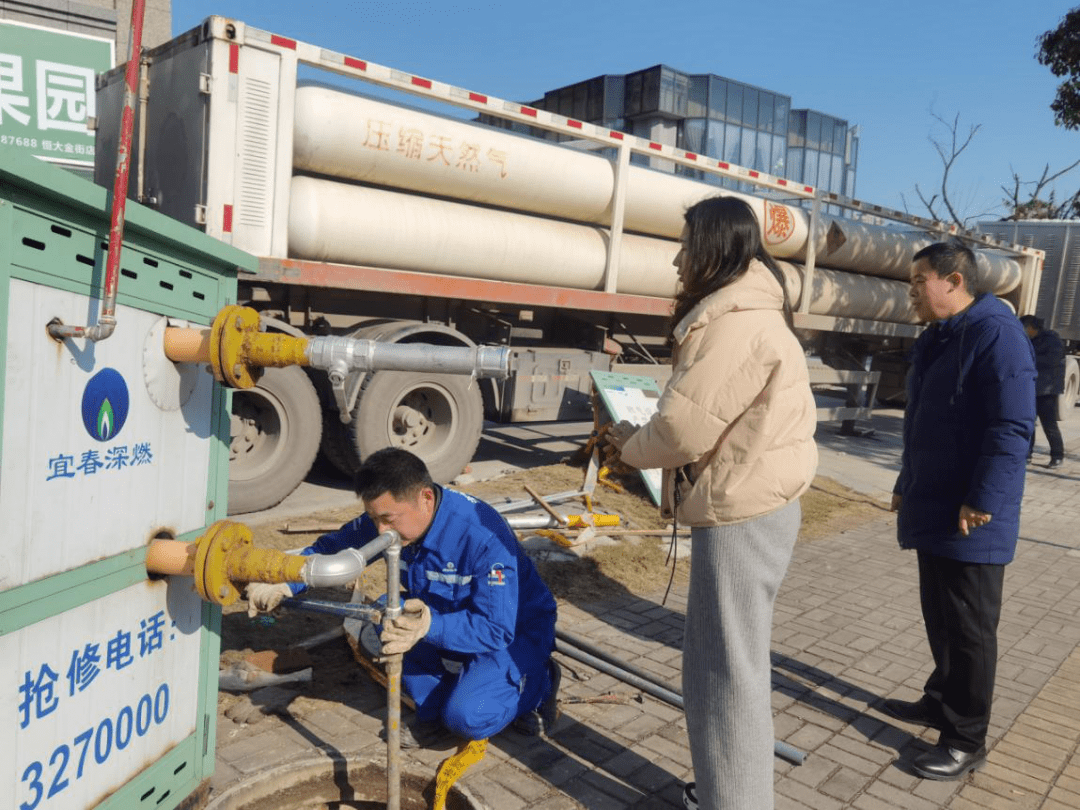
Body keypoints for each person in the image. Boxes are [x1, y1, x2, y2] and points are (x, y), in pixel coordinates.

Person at [606, 196, 818, 810]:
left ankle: (736, 800)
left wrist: (629, 445)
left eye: (685, 245)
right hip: (752, 504)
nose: (676, 259)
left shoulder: (736, 323)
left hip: (743, 513)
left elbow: (681, 429)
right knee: (724, 665)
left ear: (715, 250)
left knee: (727, 674)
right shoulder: (748, 310)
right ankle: (730, 787)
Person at [246, 447, 560, 747]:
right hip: (446, 614)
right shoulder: (389, 516)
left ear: (425, 497)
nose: (381, 530)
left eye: (388, 520)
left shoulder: (482, 537)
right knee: (387, 614)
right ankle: (435, 710)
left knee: (469, 718)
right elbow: (333, 549)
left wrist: (429, 627)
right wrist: (287, 579)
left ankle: (536, 684)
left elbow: (495, 627)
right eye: (374, 519)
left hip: (513, 631)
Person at [885, 242, 1035, 780]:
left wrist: (985, 499)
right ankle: (940, 698)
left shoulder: (996, 334)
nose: (911, 293)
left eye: (917, 282)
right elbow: (921, 423)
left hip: (971, 513)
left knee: (970, 628)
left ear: (953, 281)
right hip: (934, 501)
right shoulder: (937, 338)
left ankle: (966, 737)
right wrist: (908, 480)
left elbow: (1012, 427)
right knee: (941, 614)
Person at [1019, 314, 1066, 468]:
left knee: (1049, 424)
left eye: (1025, 328)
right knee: (1029, 424)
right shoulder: (1030, 341)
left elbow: (1052, 361)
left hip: (1047, 390)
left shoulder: (1051, 340)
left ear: (1032, 327)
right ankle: (1027, 455)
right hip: (1031, 388)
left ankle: (1057, 455)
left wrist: (1029, 359)